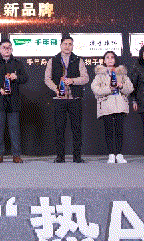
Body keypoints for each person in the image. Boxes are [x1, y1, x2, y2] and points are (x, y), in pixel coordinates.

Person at [44, 35, 89, 163]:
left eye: (70, 44)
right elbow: (47, 79)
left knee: (77, 128)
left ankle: (77, 156)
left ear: (73, 46)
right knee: (59, 128)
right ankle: (60, 156)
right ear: (60, 45)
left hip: (75, 98)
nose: (67, 46)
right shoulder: (53, 60)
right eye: (65, 44)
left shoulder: (78, 60)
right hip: (59, 98)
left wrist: (73, 80)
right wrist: (56, 89)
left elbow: (85, 78)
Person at [0, 38, 29, 163]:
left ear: (12, 49)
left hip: (13, 101)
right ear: (0, 49)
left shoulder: (17, 63)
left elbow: (25, 78)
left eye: (9, 47)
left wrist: (16, 77)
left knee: (14, 129)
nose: (7, 49)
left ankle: (16, 155)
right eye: (4, 47)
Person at [91, 50, 133, 163]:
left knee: (119, 130)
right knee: (109, 130)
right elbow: (95, 89)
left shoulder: (122, 73)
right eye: (107, 57)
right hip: (106, 104)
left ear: (115, 60)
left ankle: (119, 154)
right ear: (104, 61)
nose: (110, 59)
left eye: (112, 57)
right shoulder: (100, 75)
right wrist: (109, 89)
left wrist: (121, 86)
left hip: (120, 104)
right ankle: (111, 154)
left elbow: (130, 88)